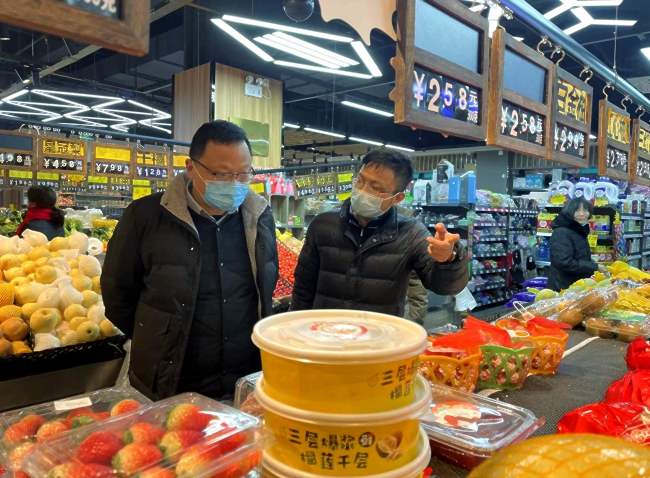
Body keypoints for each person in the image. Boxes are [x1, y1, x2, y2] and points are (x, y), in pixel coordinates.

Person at [102, 120, 278, 400]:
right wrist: (157, 336)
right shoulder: (145, 216)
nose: (235, 183)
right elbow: (117, 293)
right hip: (172, 382)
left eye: (244, 173)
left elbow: (265, 286)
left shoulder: (260, 216)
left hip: (244, 382)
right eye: (222, 173)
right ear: (191, 167)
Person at [291, 149, 468, 317]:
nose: (362, 190)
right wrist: (296, 326)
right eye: (360, 180)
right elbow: (303, 286)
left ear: (397, 198)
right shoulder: (323, 224)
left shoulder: (411, 233)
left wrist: (448, 260)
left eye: (375, 188)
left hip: (380, 335)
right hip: (324, 331)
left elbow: (445, 287)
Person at [547, 197, 606, 291]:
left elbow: (578, 257)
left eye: (585, 210)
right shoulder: (561, 232)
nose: (582, 214)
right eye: (577, 210)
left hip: (576, 286)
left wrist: (591, 262)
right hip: (563, 288)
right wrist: (595, 267)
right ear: (569, 212)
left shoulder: (579, 230)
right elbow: (565, 263)